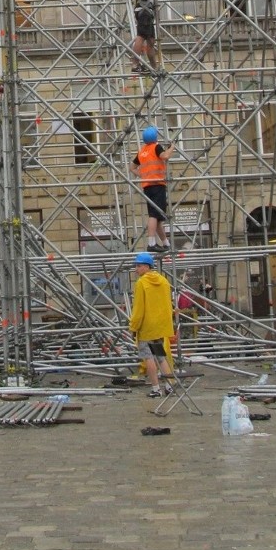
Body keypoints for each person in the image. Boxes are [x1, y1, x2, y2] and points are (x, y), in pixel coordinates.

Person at [128, 251, 176, 396]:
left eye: (138, 266)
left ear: (146, 266)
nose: (136, 269)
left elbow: (139, 308)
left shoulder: (141, 283)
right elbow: (168, 304)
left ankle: (155, 389)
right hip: (160, 327)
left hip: (147, 328)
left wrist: (134, 327)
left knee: (148, 357)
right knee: (161, 356)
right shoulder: (163, 280)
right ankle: (169, 386)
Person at [131, 125, 175, 253]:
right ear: (155, 137)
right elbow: (165, 157)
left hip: (147, 186)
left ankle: (166, 244)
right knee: (154, 215)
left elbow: (132, 167)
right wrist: (172, 147)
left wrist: (144, 176)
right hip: (157, 184)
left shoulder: (142, 151)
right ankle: (151, 243)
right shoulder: (156, 147)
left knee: (158, 217)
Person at [131, 0, 163, 72]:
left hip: (148, 10)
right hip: (143, 9)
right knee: (142, 36)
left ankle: (153, 67)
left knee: (151, 40)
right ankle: (135, 64)